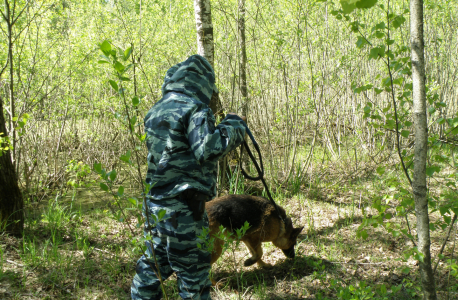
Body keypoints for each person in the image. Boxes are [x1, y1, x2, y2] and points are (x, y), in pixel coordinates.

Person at [131, 54, 247, 300]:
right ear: (203, 83)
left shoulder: (156, 110)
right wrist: (234, 126)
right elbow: (207, 147)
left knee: (152, 268)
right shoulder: (194, 107)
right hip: (184, 210)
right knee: (194, 276)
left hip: (155, 207)